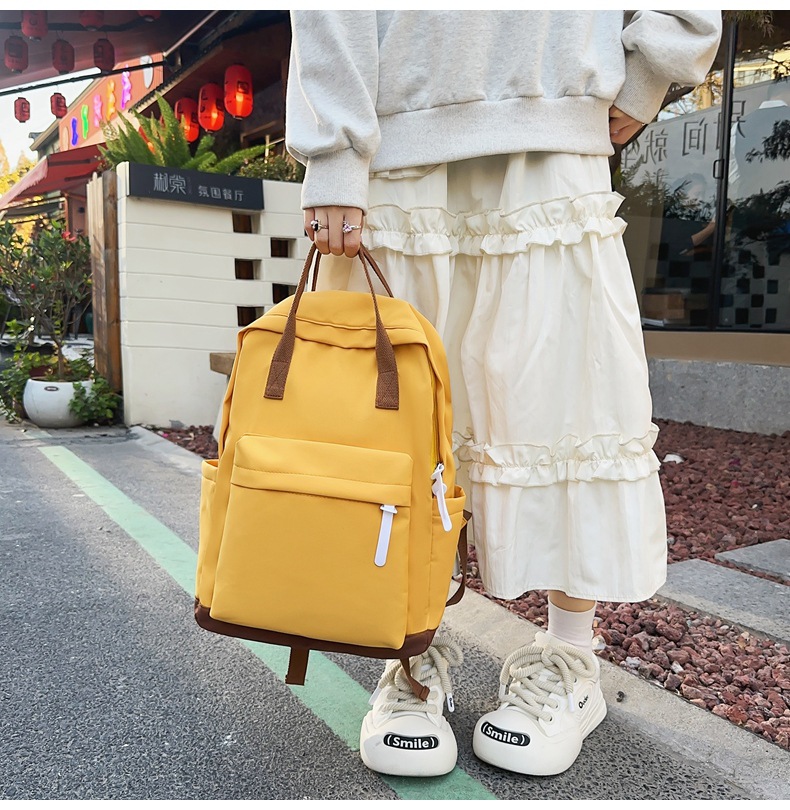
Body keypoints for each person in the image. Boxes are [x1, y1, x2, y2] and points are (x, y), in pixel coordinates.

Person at [285, 10, 722, 778]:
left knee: (565, 406)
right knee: (406, 430)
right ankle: (412, 649)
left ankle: (569, 660)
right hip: (399, 134)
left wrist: (653, 66)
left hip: (555, 122)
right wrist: (336, 150)